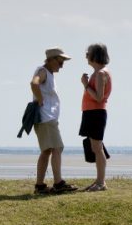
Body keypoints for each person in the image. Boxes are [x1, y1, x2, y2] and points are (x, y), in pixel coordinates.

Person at [30, 48, 78, 194]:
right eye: (60, 62)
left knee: (46, 151)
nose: (62, 65)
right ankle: (58, 183)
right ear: (51, 60)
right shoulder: (43, 71)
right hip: (46, 118)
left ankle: (40, 186)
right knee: (57, 148)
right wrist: (40, 100)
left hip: (46, 119)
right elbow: (34, 83)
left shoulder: (48, 73)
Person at [80, 43, 112, 192]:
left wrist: (86, 85)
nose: (86, 55)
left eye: (89, 53)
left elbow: (99, 97)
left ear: (95, 55)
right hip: (91, 112)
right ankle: (99, 180)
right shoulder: (98, 72)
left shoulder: (100, 73)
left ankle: (101, 182)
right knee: (95, 147)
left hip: (96, 112)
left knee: (97, 148)